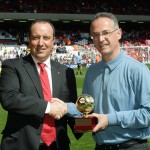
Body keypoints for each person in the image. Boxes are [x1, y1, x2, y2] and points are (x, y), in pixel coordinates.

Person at [0, 20, 82, 150]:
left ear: (53, 41)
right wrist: (49, 107)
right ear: (29, 39)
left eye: (46, 38)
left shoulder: (67, 72)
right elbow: (9, 98)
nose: (41, 43)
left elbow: (69, 111)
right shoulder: (12, 66)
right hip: (21, 145)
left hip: (58, 145)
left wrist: (91, 123)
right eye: (36, 37)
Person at [82, 12, 150, 150]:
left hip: (132, 146)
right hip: (100, 146)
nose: (100, 39)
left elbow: (148, 114)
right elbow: (85, 109)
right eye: (95, 35)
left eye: (106, 33)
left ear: (119, 33)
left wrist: (109, 119)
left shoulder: (138, 70)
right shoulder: (91, 72)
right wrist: (64, 107)